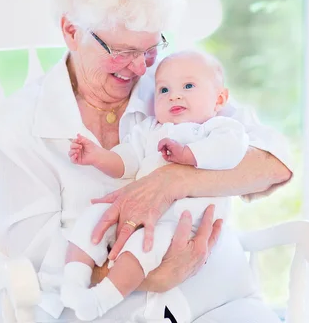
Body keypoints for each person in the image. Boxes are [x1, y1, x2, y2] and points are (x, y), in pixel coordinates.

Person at [0, 0, 293, 323]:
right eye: (121, 51)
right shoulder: (18, 127)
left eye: (149, 49)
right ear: (70, 31)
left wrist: (172, 181)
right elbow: (31, 259)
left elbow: (274, 162)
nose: (139, 68)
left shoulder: (171, 88)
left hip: (221, 301)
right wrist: (148, 276)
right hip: (106, 311)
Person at [61, 51, 249, 322]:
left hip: (184, 224)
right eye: (163, 89)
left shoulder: (219, 129)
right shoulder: (152, 130)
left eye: (188, 86)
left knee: (143, 248)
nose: (174, 95)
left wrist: (187, 155)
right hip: (137, 213)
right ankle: (73, 283)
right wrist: (98, 156)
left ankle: (103, 300)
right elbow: (126, 160)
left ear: (219, 99)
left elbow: (230, 152)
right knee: (95, 218)